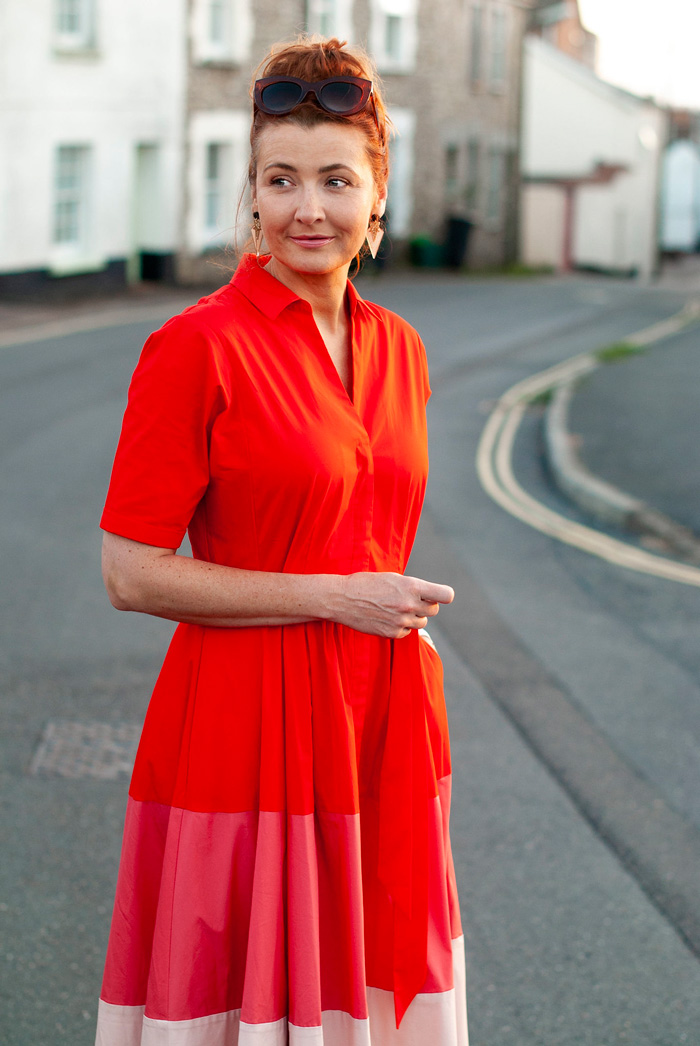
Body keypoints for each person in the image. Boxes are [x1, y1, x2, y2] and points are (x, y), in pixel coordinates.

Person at [95, 36, 468, 1046]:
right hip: (242, 729)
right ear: (250, 198)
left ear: (377, 193)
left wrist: (370, 610)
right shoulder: (194, 348)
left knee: (374, 993)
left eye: (336, 178)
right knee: (243, 1004)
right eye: (281, 178)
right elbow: (129, 572)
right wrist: (333, 594)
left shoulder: (402, 348)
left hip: (380, 725)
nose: (309, 207)